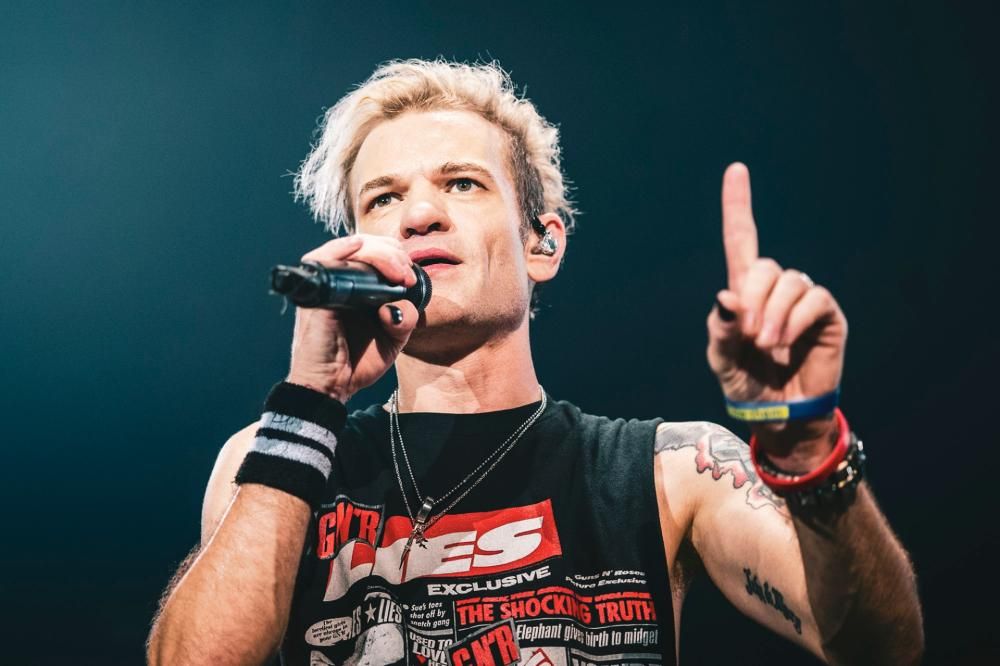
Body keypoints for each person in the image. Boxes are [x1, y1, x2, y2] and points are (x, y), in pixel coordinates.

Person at [146, 59, 923, 666]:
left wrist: (805, 447)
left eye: (461, 183)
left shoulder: (668, 471)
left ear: (542, 244)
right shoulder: (277, 460)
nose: (419, 214)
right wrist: (309, 403)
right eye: (382, 199)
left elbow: (879, 649)